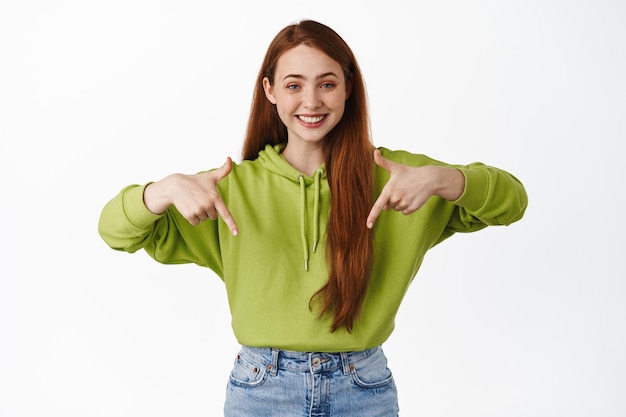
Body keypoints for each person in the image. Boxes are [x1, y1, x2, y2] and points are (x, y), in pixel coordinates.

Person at [98, 19, 527, 417]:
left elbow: (513, 201)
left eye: (327, 84)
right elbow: (113, 231)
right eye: (293, 85)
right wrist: (161, 190)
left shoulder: (399, 178)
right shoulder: (230, 188)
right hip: (260, 390)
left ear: (348, 88)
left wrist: (444, 179)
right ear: (270, 91)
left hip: (363, 389)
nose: (311, 101)